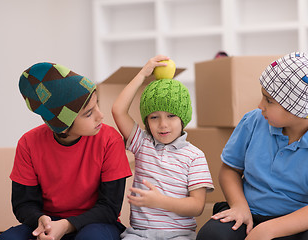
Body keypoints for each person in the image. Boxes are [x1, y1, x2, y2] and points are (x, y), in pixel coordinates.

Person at [0, 62, 132, 240]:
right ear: (63, 126)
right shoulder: (28, 143)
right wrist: (41, 221)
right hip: (48, 225)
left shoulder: (110, 140)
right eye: (89, 113)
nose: (101, 115)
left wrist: (67, 225)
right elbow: (24, 204)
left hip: (96, 223)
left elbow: (109, 207)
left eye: (96, 104)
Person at [196, 52, 308, 240]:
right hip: (246, 212)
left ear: (298, 110)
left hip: (294, 223)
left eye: (269, 101)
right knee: (211, 235)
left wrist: (269, 230)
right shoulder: (253, 121)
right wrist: (239, 206)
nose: (260, 105)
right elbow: (229, 170)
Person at [112, 55, 214, 239]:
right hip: (140, 234)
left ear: (183, 118)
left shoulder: (195, 156)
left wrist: (160, 201)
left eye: (171, 116)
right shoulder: (142, 143)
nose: (163, 124)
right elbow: (118, 110)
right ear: (146, 121)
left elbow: (197, 206)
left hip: (178, 235)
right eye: (154, 117)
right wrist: (143, 74)